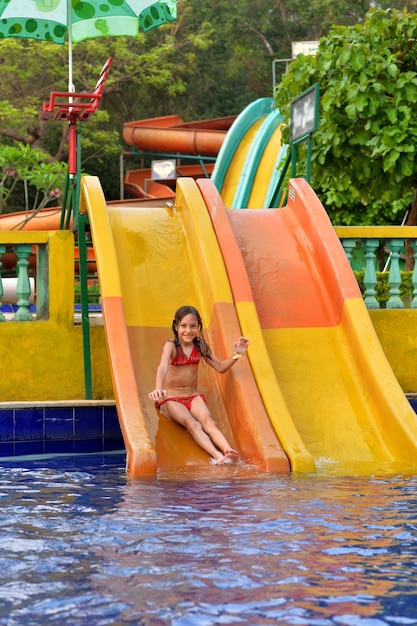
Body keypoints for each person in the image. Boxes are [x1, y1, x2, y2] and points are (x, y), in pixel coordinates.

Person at [148, 305, 250, 465]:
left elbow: (221, 367)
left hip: (192, 396)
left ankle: (227, 450)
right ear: (176, 326)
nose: (188, 330)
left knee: (209, 421)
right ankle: (217, 455)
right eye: (183, 326)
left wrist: (238, 353)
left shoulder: (201, 346)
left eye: (193, 326)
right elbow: (162, 367)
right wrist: (158, 388)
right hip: (172, 399)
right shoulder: (171, 345)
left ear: (198, 326)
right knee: (192, 423)